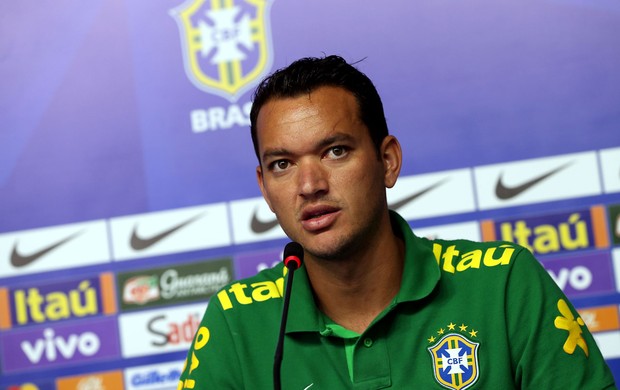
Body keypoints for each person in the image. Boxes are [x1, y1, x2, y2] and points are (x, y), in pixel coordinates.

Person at [177, 55, 616, 389]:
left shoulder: (504, 285)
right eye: (281, 164)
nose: (309, 185)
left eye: (335, 151)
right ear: (264, 187)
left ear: (388, 161)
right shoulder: (235, 323)